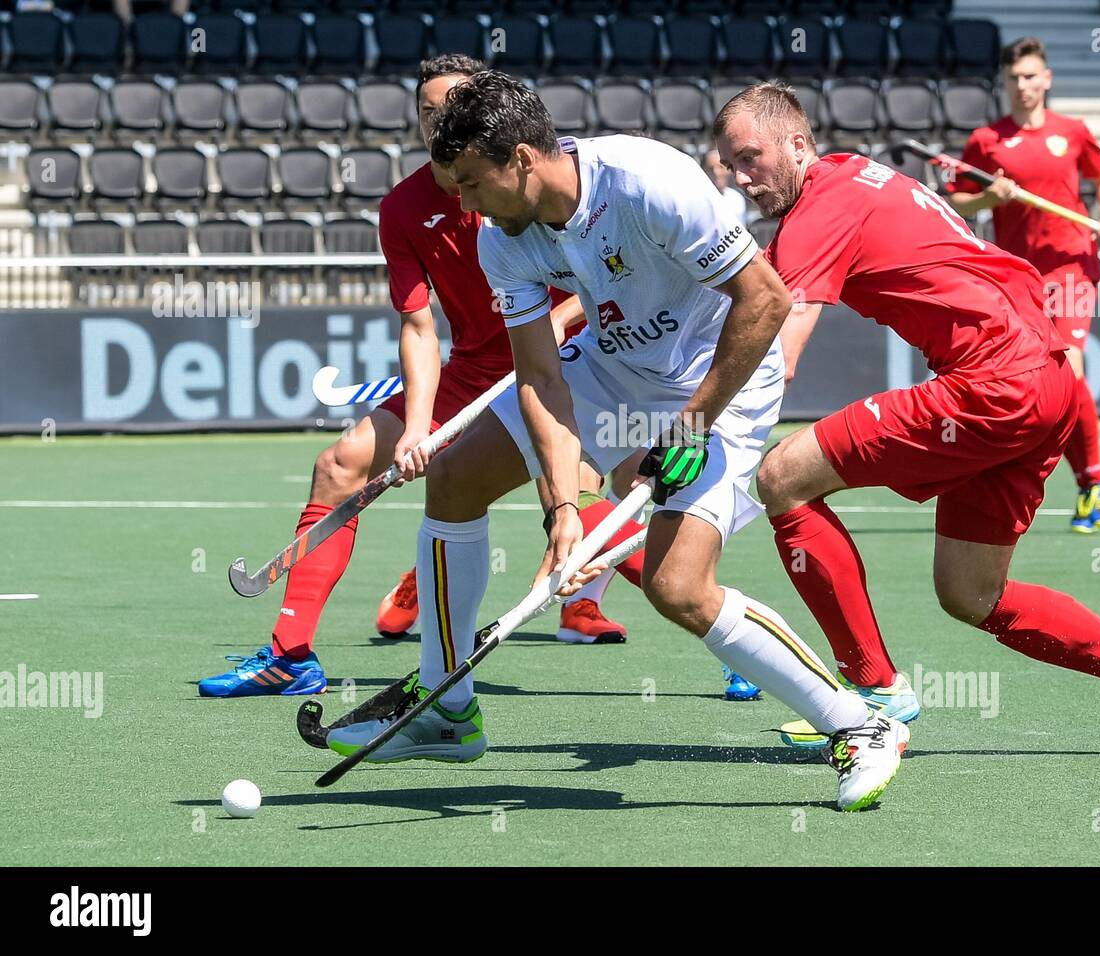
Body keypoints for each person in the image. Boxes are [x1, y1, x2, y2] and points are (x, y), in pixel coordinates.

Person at [327, 71, 909, 812]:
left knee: (677, 587)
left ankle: (859, 724)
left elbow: (766, 300)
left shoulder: (648, 181)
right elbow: (539, 375)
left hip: (719, 379)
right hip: (607, 367)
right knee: (456, 479)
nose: (465, 205)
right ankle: (448, 704)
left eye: (473, 183)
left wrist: (694, 422)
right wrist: (563, 506)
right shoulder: (505, 243)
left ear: (521, 160)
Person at [713, 82, 1100, 757]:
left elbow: (782, 346)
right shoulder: (849, 174)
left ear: (798, 143)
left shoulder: (818, 208)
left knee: (782, 476)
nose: (744, 178)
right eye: (731, 166)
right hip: (1052, 378)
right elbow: (752, 295)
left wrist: (704, 428)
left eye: (752, 158)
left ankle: (872, 690)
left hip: (993, 382)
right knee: (970, 593)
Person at [198, 57, 642, 698]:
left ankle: (716, 626)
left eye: (452, 107)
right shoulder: (404, 208)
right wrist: (413, 430)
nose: (440, 120)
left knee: (578, 503)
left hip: (564, 361)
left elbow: (599, 282)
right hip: (473, 372)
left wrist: (555, 329)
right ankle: (290, 656)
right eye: (427, 112)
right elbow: (418, 328)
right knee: (340, 464)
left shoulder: (527, 180)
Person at [947, 37, 1100, 533]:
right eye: (1013, 78)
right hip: (1017, 276)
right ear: (1005, 84)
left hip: (1071, 265)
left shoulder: (1074, 131)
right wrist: (990, 201)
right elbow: (956, 201)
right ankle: (1048, 482)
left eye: (1030, 76)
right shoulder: (987, 141)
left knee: (1070, 366)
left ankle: (1094, 485)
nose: (1023, 86)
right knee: (1044, 384)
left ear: (1046, 78)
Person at [703, 147, 751, 225]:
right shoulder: (699, 200)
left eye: (720, 167)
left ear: (728, 169)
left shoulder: (736, 199)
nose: (716, 172)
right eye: (711, 168)